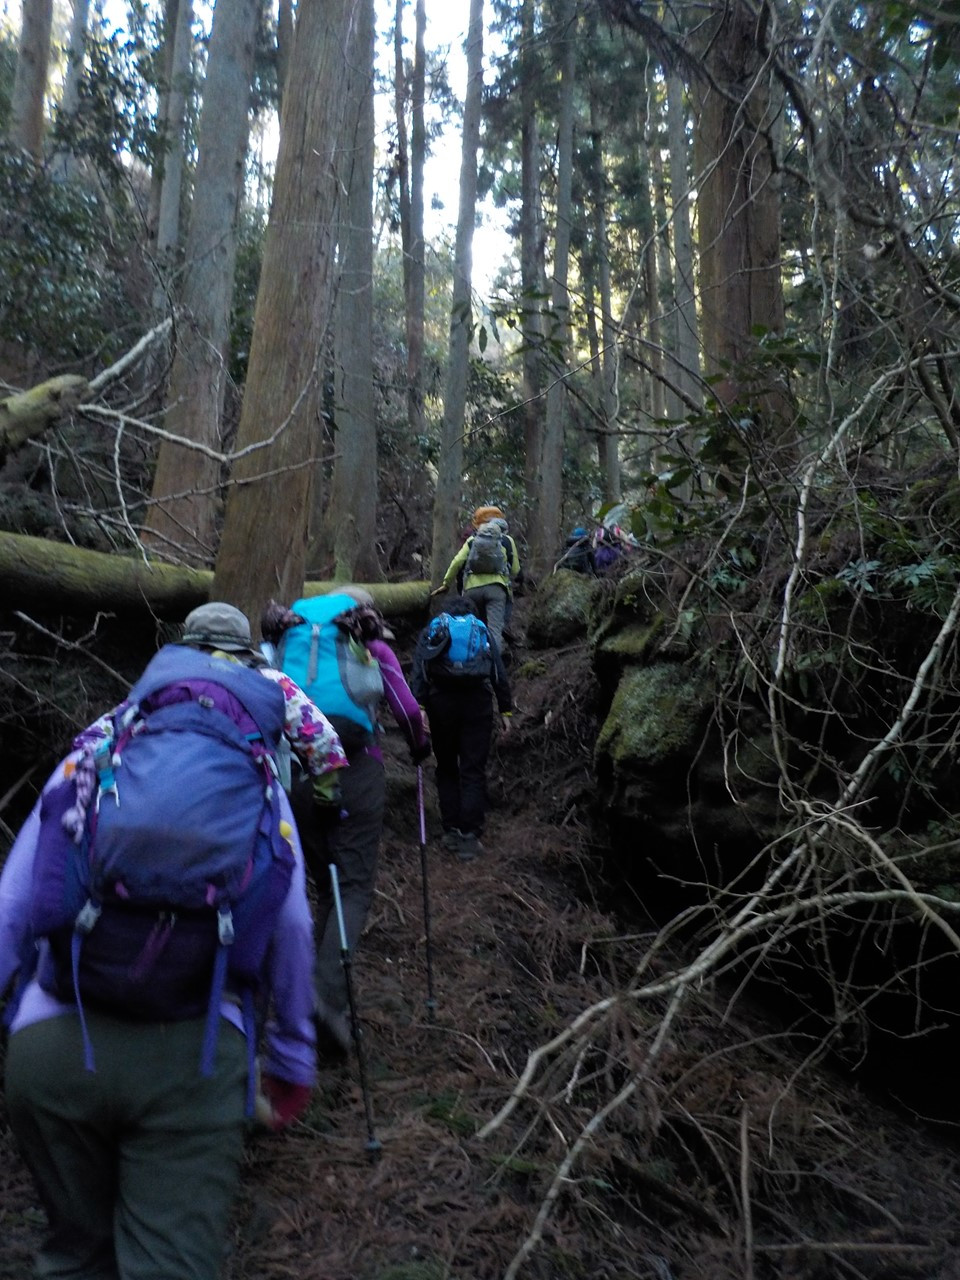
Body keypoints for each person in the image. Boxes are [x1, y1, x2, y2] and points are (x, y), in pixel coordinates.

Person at [0, 603, 321, 1280]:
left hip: (53, 1046)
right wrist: (291, 1058)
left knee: (71, 1255)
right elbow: (291, 927)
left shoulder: (102, 741)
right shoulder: (259, 768)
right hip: (195, 1054)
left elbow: (14, 900)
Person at [262, 587, 431, 1057]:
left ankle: (310, 1005)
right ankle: (324, 997)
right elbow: (407, 709)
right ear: (360, 612)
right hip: (358, 768)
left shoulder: (287, 640)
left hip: (300, 773)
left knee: (323, 883)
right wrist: (419, 747)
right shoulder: (368, 642)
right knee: (352, 886)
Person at [409, 596, 513, 861]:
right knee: (473, 768)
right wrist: (505, 709)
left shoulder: (435, 628)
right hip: (477, 702)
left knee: (446, 767)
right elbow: (498, 671)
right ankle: (470, 835)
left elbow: (420, 668)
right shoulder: (481, 629)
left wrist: (419, 705)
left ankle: (450, 830)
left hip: (440, 702)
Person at [435, 504, 522, 653]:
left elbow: (456, 562)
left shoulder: (472, 540)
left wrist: (446, 584)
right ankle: (494, 668)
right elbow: (515, 570)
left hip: (472, 590)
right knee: (494, 631)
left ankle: (472, 663)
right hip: (497, 590)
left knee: (472, 627)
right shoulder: (507, 540)